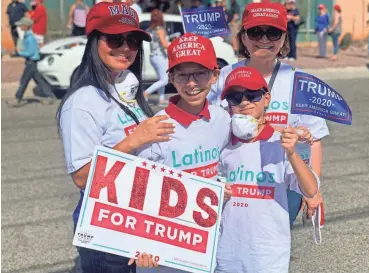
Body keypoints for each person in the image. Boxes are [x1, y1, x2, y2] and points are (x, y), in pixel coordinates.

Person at [57, 2, 175, 272]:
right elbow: (82, 176)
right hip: (106, 223)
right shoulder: (83, 101)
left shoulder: (125, 88)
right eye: (114, 38)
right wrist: (135, 140)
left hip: (136, 215)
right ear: (94, 41)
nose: (125, 48)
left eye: (132, 40)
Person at [207, 1, 328, 226]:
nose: (264, 40)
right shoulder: (224, 76)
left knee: (273, 245)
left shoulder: (300, 81)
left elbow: (315, 140)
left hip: (284, 183)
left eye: (273, 33)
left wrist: (314, 192)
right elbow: (207, 128)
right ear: (243, 38)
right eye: (255, 32)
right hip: (235, 183)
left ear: (284, 38)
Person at [132, 32, 232, 272]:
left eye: (200, 73)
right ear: (171, 78)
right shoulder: (156, 127)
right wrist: (139, 242)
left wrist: (222, 186)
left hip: (209, 242)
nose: (191, 83)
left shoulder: (223, 119)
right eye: (182, 75)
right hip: (166, 249)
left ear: (214, 75)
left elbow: (227, 165)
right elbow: (137, 192)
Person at [215, 66, 319, 273]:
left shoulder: (281, 142)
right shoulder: (221, 143)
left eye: (252, 95)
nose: (244, 102)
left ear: (267, 98)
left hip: (268, 257)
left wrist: (292, 153)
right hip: (225, 255)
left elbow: (311, 190)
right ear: (228, 105)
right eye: (235, 97)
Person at [6, 17, 56, 108]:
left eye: (21, 25)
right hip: (31, 62)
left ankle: (17, 99)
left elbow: (30, 52)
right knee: (39, 81)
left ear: (26, 26)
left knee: (24, 81)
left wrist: (18, 53)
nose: (20, 27)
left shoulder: (30, 38)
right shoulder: (27, 36)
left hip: (31, 62)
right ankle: (51, 96)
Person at [143, 9, 169, 106]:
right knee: (164, 80)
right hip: (160, 56)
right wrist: (175, 44)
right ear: (160, 18)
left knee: (161, 79)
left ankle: (161, 100)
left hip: (153, 56)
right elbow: (164, 44)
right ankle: (146, 93)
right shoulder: (160, 29)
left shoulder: (151, 29)